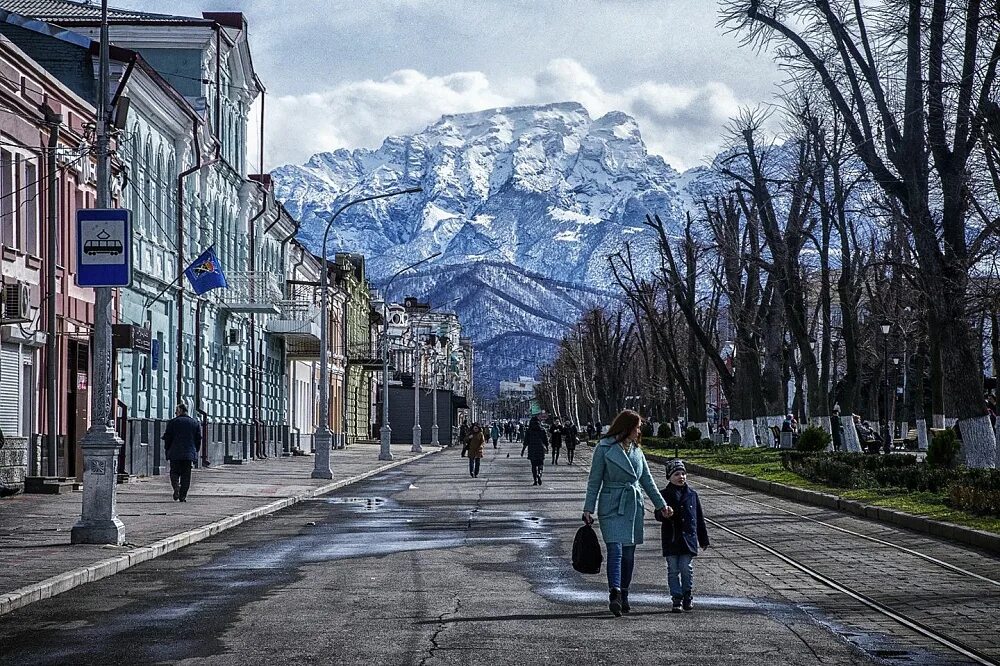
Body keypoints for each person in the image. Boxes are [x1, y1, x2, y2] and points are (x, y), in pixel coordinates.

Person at [582, 409, 671, 617]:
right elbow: (594, 481)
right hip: (611, 504)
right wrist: (588, 508)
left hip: (632, 505)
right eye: (637, 427)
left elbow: (647, 481)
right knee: (615, 550)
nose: (639, 430)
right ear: (627, 427)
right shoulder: (603, 448)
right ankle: (615, 592)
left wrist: (662, 505)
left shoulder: (637, 451)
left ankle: (625, 593)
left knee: (629, 555)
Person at [655, 459, 709, 612]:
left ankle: (687, 595)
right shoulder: (663, 494)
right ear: (669, 477)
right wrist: (664, 514)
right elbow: (657, 514)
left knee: (686, 568)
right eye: (677, 474)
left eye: (683, 474)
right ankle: (676, 598)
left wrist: (703, 539)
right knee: (673, 569)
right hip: (671, 539)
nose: (681, 477)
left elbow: (699, 518)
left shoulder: (692, 494)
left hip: (688, 540)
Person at [162, 403, 201, 502]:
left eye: (176, 411)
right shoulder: (194, 423)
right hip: (188, 454)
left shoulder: (173, 422)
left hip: (175, 453)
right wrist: (195, 451)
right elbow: (198, 440)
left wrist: (167, 449)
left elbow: (168, 438)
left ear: (180, 411)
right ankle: (182, 496)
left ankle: (176, 487)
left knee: (174, 472)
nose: (175, 413)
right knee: (186, 476)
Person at [521, 416, 548, 485]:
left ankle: (535, 480)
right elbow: (546, 440)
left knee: (533, 466)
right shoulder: (542, 429)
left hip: (532, 449)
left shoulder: (529, 430)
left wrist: (523, 450)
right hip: (540, 449)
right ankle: (539, 474)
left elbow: (526, 441)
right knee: (540, 464)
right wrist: (547, 448)